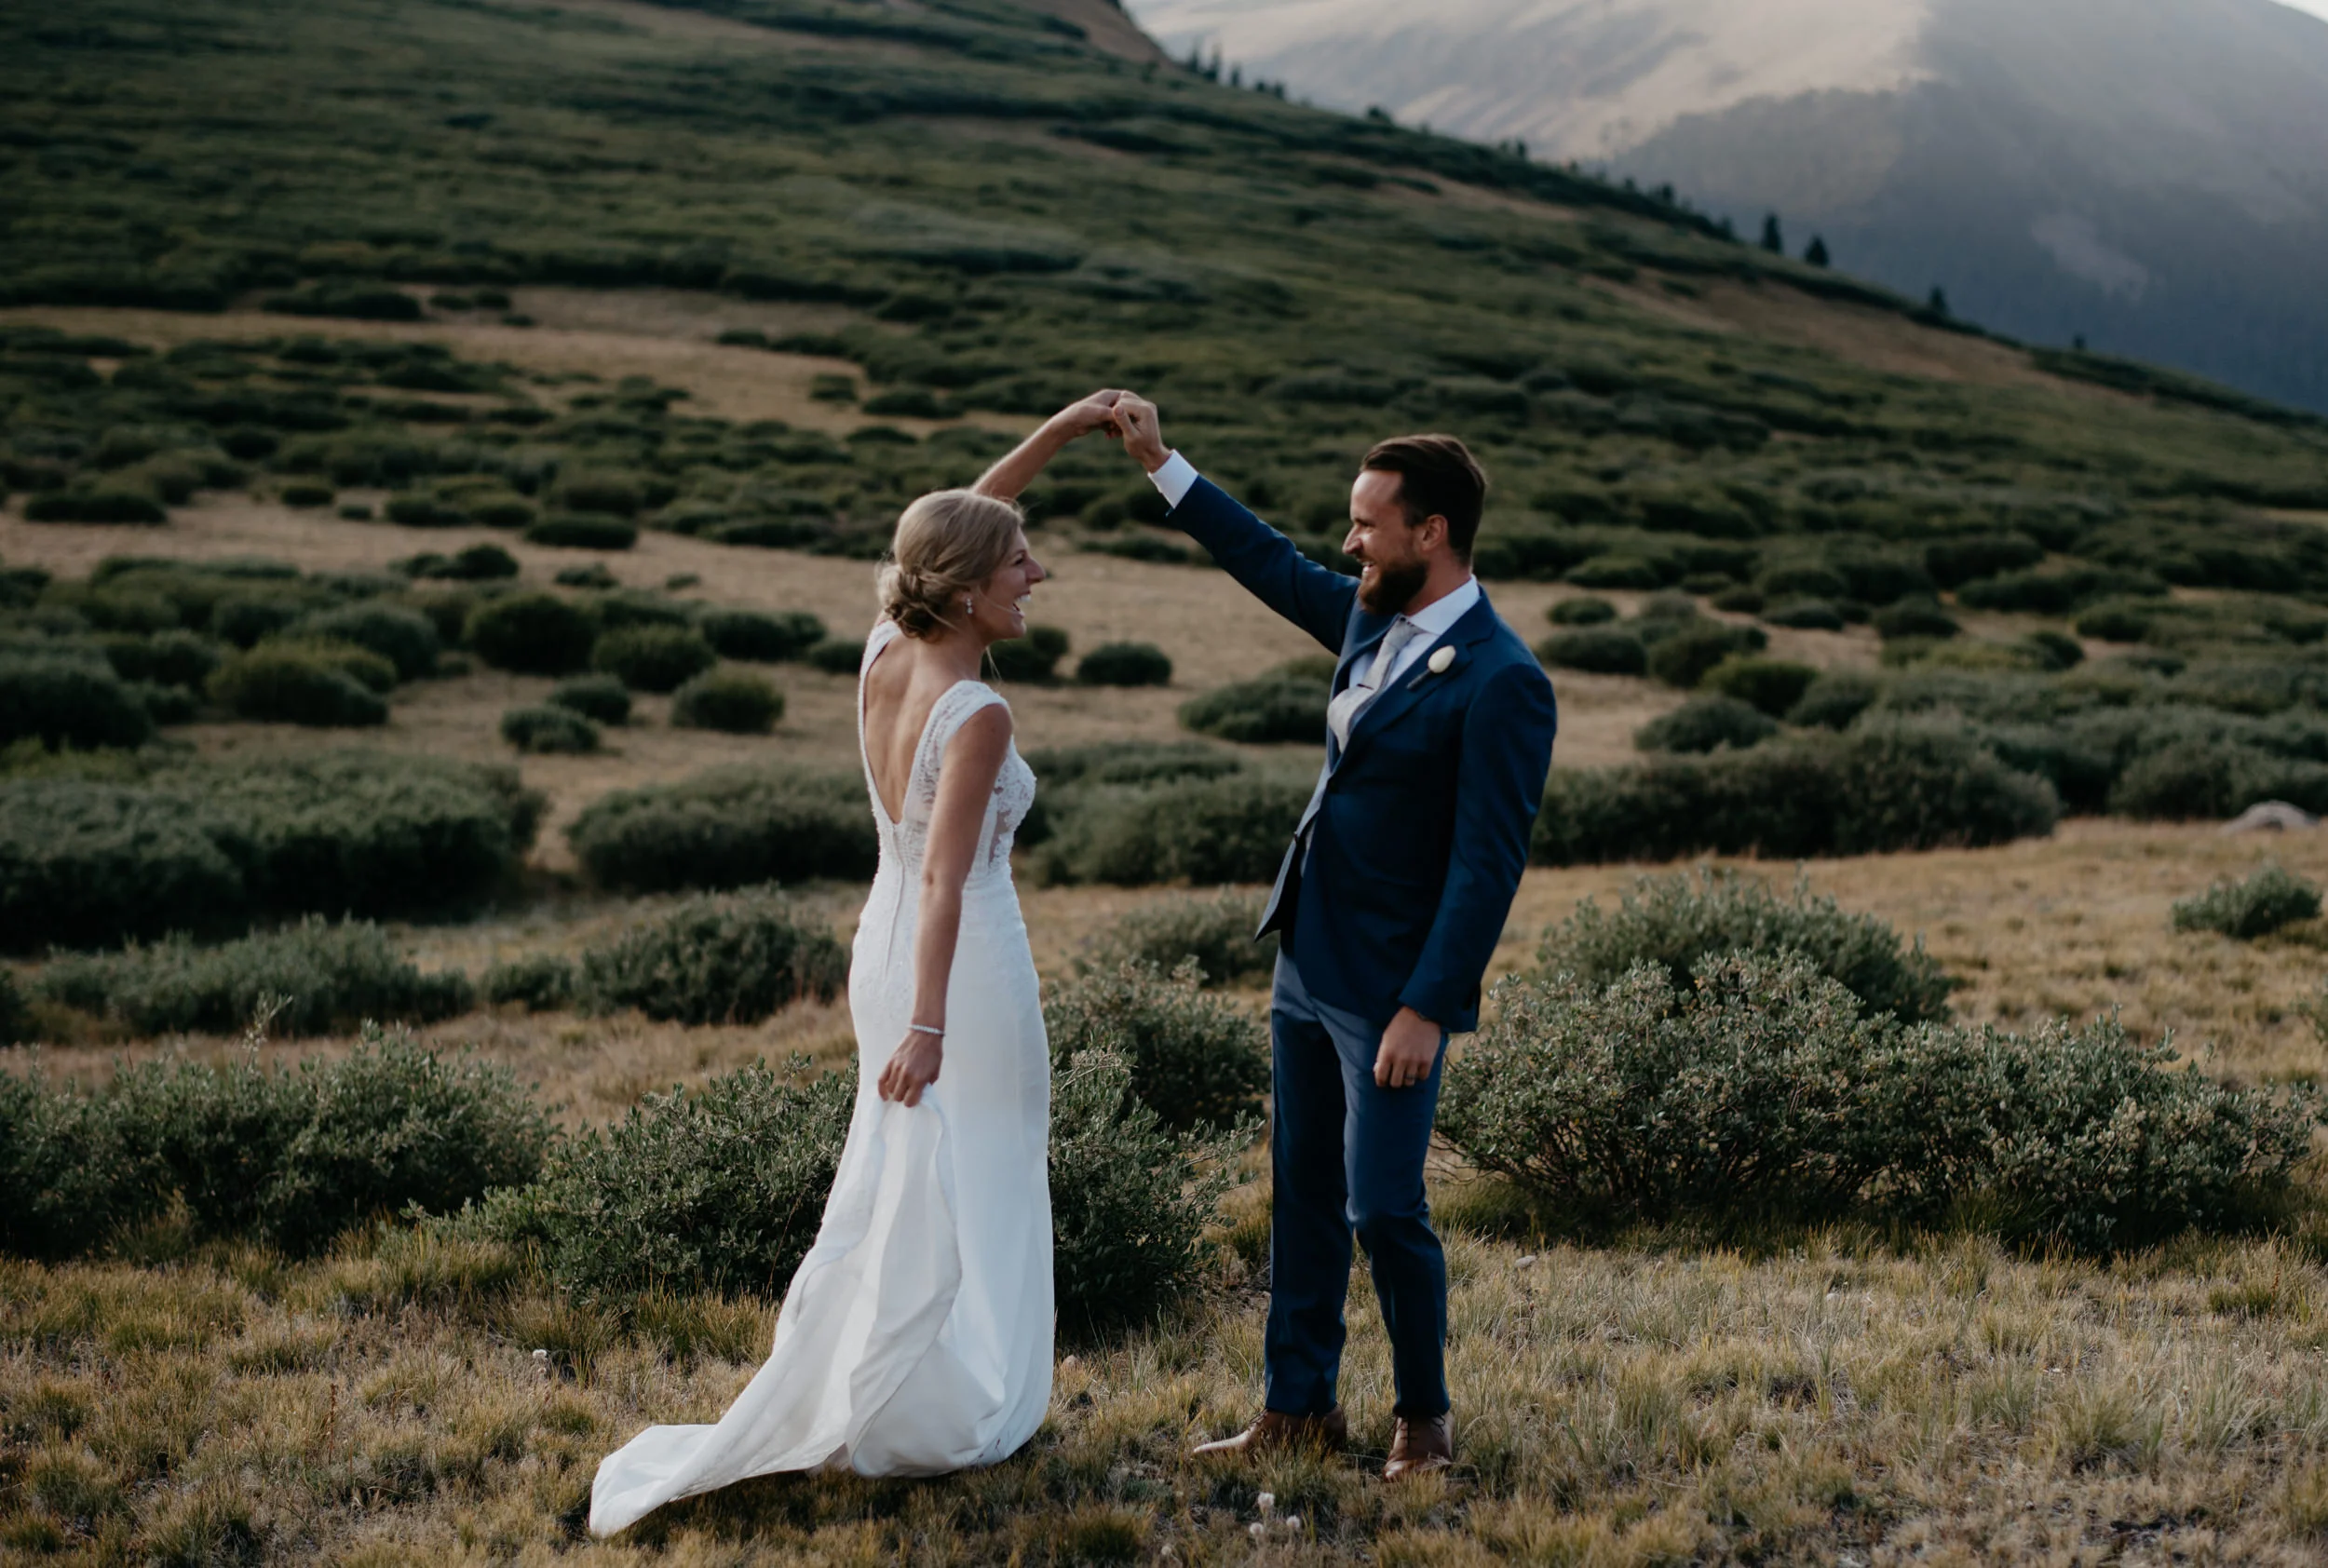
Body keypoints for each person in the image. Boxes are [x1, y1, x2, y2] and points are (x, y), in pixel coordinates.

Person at [589, 391, 1128, 1537]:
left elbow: (957, 520)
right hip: (955, 966)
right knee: (977, 1171)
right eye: (1021, 565)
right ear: (970, 589)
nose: (1038, 576)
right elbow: (948, 878)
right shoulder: (974, 709)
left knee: (904, 1175)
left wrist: (1069, 429)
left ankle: (896, 1378)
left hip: (878, 952)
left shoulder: (889, 647)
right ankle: (959, 1400)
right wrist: (931, 1025)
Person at [1107, 393, 1556, 1480]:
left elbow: (1485, 864)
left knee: (1384, 1206)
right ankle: (1297, 1406)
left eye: (1365, 524)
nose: (1347, 542)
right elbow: (1270, 562)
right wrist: (1165, 466)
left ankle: (1423, 1418)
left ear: (1430, 533)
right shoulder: (1369, 613)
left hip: (1391, 987)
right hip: (1305, 956)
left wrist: (1427, 1005)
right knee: (1300, 1188)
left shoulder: (1503, 681)